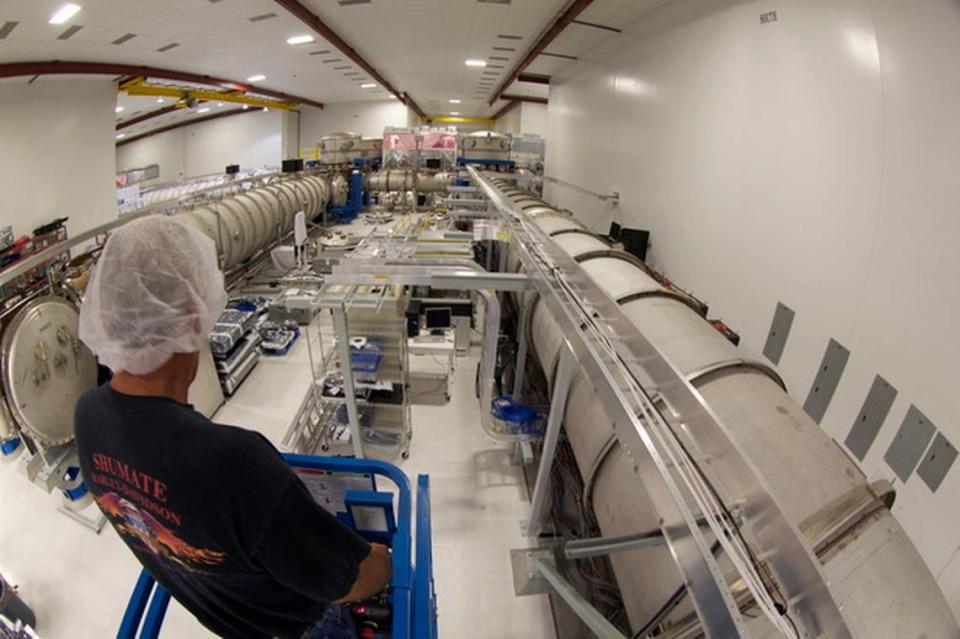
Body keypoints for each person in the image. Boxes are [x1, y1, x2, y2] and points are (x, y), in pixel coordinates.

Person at [74, 216, 391, 639]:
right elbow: (350, 579)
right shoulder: (232, 462)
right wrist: (383, 559)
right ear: (194, 314)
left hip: (226, 619)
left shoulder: (87, 415)